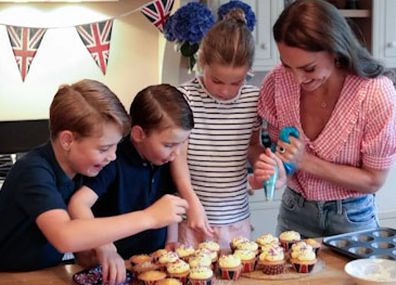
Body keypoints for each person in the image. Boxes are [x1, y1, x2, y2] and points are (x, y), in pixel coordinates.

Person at [0, 79, 188, 274]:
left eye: (116, 146)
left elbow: (79, 228)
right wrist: (149, 217)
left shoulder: (82, 170)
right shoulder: (32, 171)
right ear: (67, 140)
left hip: (48, 270)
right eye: (104, 148)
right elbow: (65, 236)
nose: (113, 156)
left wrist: (99, 247)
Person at [254, 0, 396, 238]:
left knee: (350, 277)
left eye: (309, 68)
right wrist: (277, 170)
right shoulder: (277, 82)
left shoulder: (375, 94)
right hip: (294, 211)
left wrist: (305, 161)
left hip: (352, 218)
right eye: (288, 66)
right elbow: (282, 156)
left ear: (336, 50)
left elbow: (373, 180)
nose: (297, 78)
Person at [170, 7, 284, 249]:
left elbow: (252, 146)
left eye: (236, 82)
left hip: (236, 219)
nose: (225, 90)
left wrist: (263, 162)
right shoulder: (185, 98)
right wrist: (191, 201)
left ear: (249, 71)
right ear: (202, 62)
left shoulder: (254, 99)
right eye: (217, 80)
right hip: (192, 217)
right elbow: (177, 156)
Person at [68, 84, 194, 283]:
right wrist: (105, 245)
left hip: (153, 264)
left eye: (182, 143)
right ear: (138, 134)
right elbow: (78, 204)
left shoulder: (164, 160)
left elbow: (170, 203)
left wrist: (171, 240)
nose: (176, 153)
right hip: (114, 266)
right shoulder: (112, 159)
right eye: (169, 145)